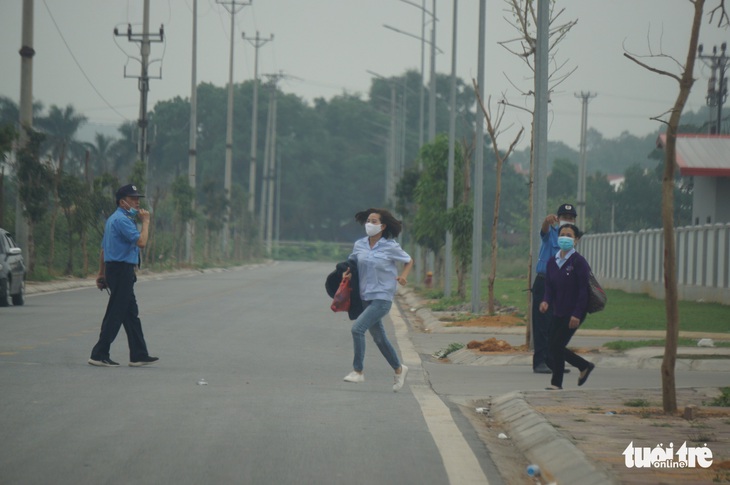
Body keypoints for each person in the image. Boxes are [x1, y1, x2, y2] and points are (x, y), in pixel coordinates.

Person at [341, 208, 414, 392]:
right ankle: (399, 368)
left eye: (374, 221)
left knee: (357, 329)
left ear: (382, 226)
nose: (369, 224)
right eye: (368, 220)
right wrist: (347, 274)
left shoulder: (390, 246)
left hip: (383, 297)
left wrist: (404, 276)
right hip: (366, 295)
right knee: (379, 338)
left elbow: (408, 260)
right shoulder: (359, 245)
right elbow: (352, 264)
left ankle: (358, 370)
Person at [88, 184, 159, 367]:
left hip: (118, 270)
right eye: (132, 199)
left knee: (130, 314)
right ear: (122, 202)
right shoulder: (122, 221)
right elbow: (141, 242)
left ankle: (138, 354)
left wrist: (101, 274)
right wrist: (146, 222)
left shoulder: (114, 219)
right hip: (121, 270)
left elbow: (104, 249)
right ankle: (99, 353)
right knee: (116, 313)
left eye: (137, 198)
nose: (137, 202)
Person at [539, 223, 596, 390]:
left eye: (569, 235)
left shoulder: (579, 262)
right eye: (562, 234)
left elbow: (583, 291)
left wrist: (577, 314)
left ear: (576, 240)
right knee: (552, 347)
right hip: (559, 311)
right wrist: (545, 301)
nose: (565, 238)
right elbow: (549, 287)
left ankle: (561, 380)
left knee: (556, 346)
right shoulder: (552, 262)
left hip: (575, 312)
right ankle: (581, 367)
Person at [532, 203, 577, 374]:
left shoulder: (571, 240)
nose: (568, 220)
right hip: (544, 283)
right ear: (558, 219)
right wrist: (546, 221)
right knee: (542, 325)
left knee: (555, 326)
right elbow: (543, 231)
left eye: (571, 218)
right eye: (565, 217)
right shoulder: (550, 234)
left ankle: (552, 361)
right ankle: (539, 362)